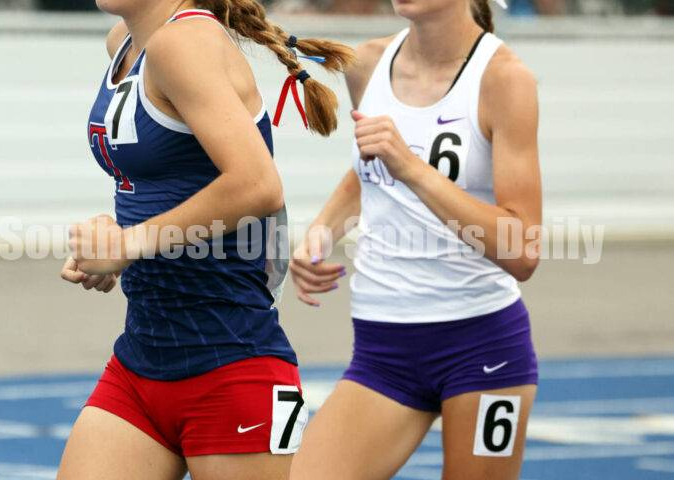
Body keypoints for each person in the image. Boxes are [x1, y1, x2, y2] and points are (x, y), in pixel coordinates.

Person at [56, 1, 353, 479]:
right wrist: (112, 244)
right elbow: (162, 180)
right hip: (141, 359)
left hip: (231, 365)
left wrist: (129, 244)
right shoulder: (125, 44)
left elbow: (258, 185)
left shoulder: (184, 43)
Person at [288, 0, 542, 479]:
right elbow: (369, 169)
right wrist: (320, 232)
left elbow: (523, 251)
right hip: (383, 349)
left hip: (481, 349)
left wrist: (413, 170)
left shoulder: (505, 79)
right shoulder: (366, 64)